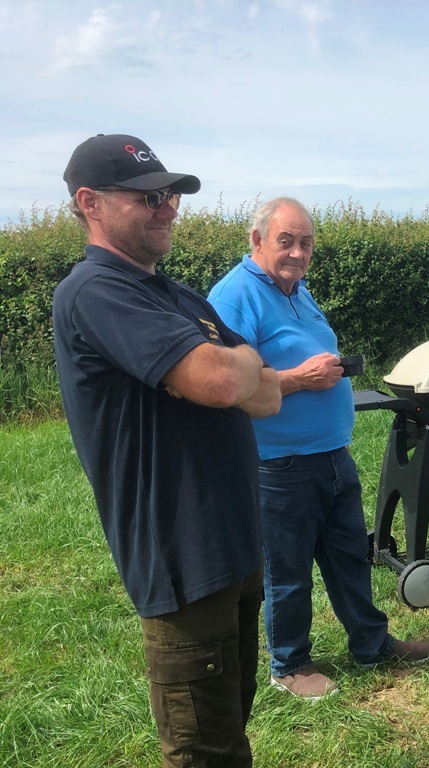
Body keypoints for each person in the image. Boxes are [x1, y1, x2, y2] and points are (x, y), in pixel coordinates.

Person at [52, 134, 281, 767]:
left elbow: (267, 399)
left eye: (173, 195)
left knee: (231, 729)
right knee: (206, 753)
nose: (169, 208)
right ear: (90, 203)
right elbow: (227, 380)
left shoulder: (179, 297)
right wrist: (239, 362)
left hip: (233, 547)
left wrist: (237, 368)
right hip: (181, 562)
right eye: (150, 196)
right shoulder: (95, 291)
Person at [208, 197, 429, 700]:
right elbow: (227, 384)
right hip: (278, 463)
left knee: (349, 557)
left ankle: (371, 643)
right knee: (288, 572)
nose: (296, 252)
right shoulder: (234, 297)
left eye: (305, 242)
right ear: (257, 240)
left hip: (332, 454)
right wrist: (298, 379)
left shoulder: (297, 291)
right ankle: (288, 665)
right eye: (285, 241)